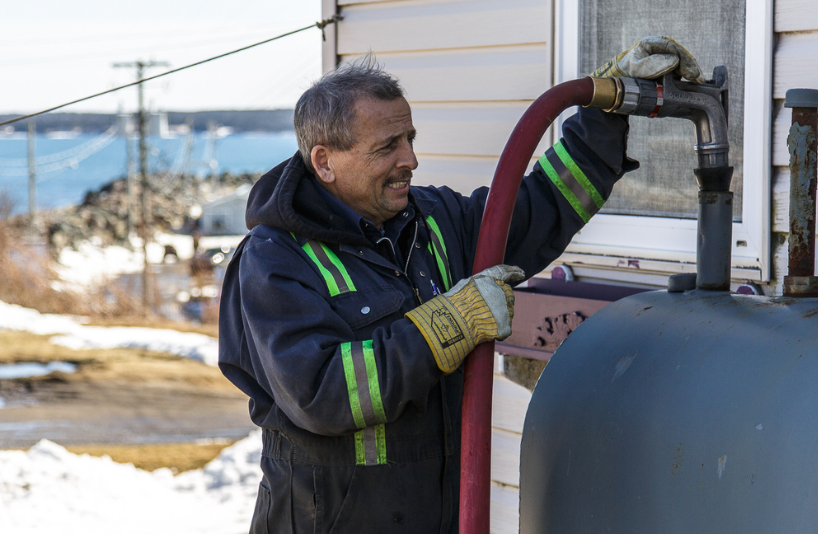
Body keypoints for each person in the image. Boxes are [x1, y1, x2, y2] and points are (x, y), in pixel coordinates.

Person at [218, 37, 703, 534]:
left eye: (409, 138)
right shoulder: (274, 260)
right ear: (325, 162)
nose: (410, 158)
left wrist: (607, 108)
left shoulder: (433, 219)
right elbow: (321, 393)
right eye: (388, 146)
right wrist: (449, 325)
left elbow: (541, 208)